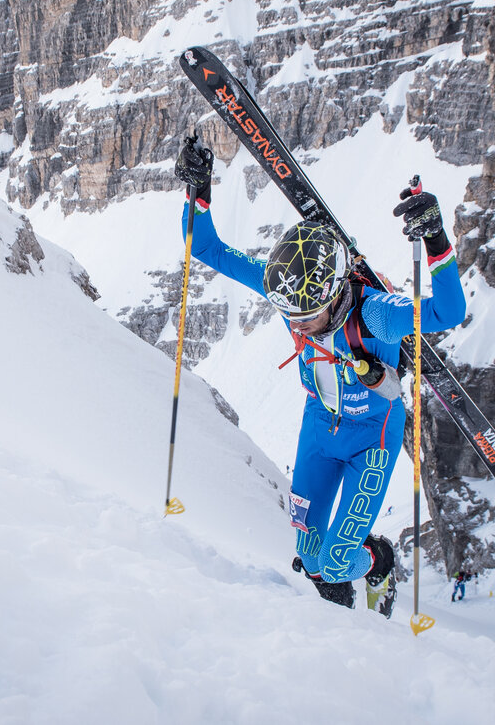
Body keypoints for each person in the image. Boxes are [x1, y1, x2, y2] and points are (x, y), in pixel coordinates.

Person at [175, 136, 466, 613]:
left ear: (333, 293)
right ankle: (338, 618)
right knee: (309, 556)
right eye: (288, 312)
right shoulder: (287, 287)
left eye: (305, 314)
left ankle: (378, 563)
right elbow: (206, 248)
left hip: (372, 437)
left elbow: (449, 310)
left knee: (334, 560)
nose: (294, 322)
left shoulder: (378, 315)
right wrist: (197, 191)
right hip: (319, 428)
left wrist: (435, 238)